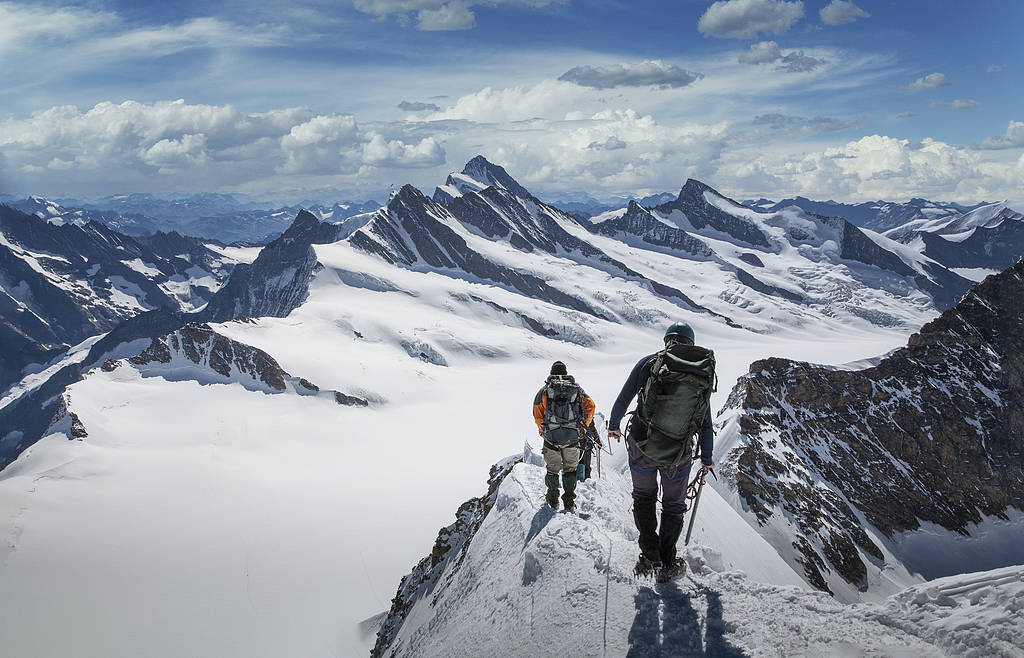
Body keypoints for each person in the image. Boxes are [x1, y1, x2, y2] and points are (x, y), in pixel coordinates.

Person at [607, 323, 715, 580]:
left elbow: (624, 398)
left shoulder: (649, 364)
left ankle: (649, 554)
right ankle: (668, 561)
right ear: (691, 343)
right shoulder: (700, 375)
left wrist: (614, 425)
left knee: (643, 497)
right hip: (678, 454)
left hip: (643, 447)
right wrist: (707, 459)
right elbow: (705, 421)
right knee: (673, 506)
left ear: (667, 340)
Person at [533, 361, 596, 512]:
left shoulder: (544, 391)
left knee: (552, 470)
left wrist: (543, 430)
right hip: (572, 437)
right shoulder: (576, 390)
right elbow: (591, 406)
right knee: (570, 471)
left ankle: (553, 500)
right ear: (566, 372)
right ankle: (569, 502)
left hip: (551, 438)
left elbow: (537, 413)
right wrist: (582, 426)